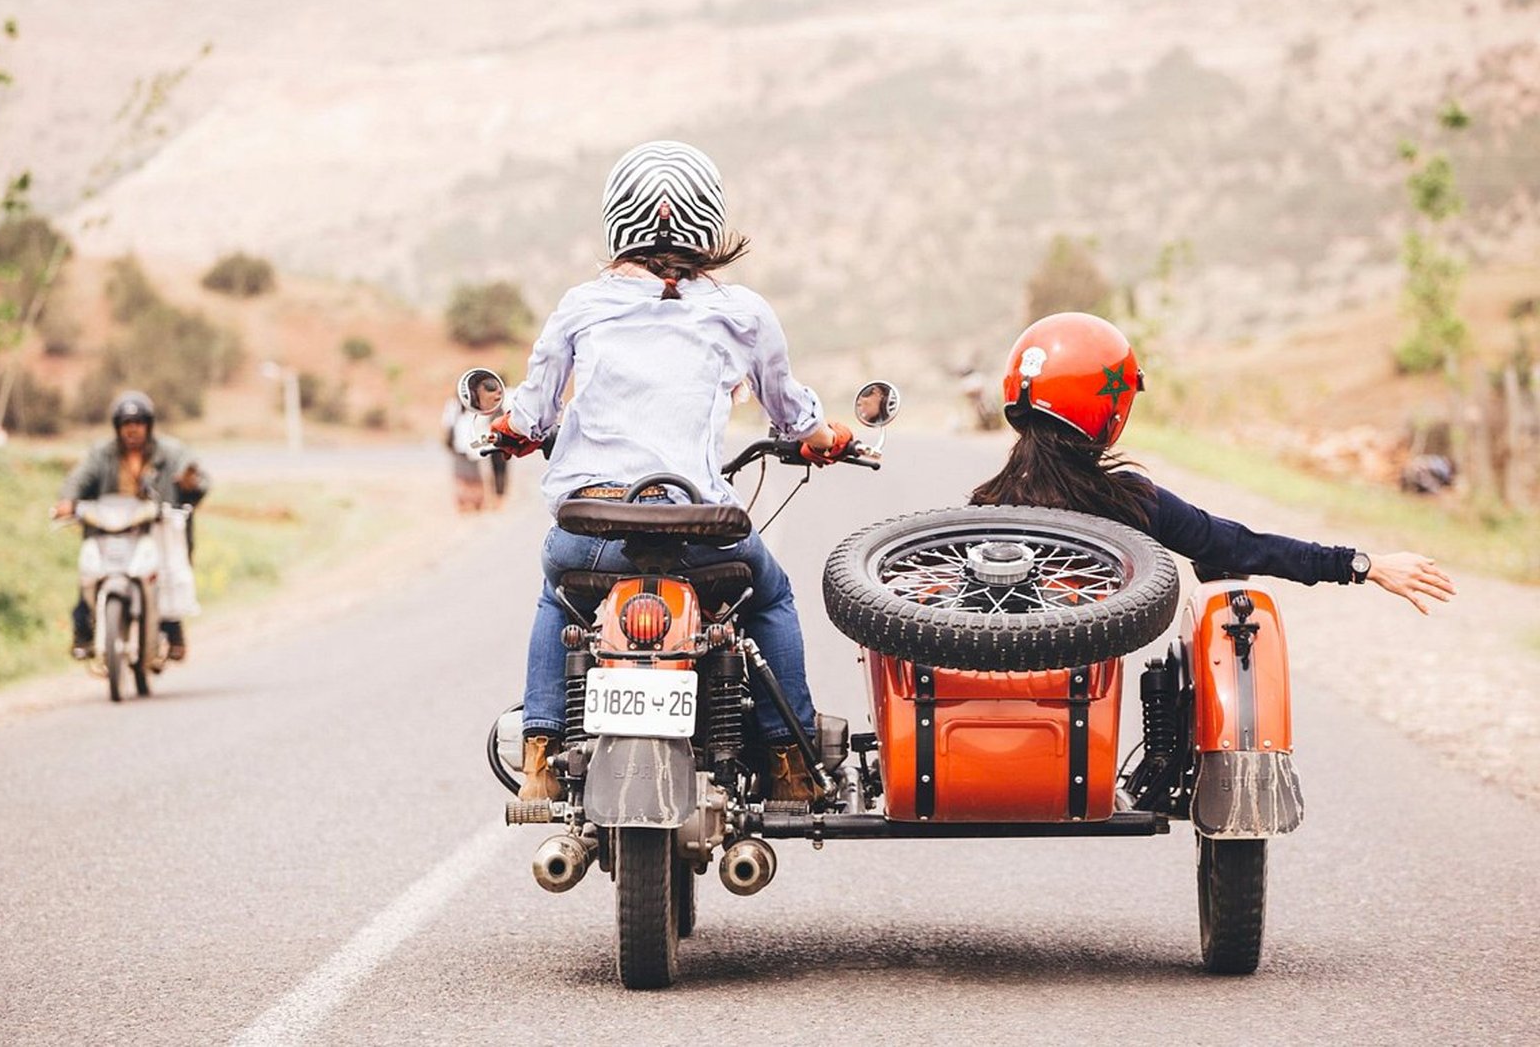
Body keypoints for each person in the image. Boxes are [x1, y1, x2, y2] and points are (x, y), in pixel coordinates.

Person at [487, 140, 858, 801]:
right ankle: (789, 763)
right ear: (708, 218)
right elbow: (792, 414)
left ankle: (540, 759)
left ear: (617, 218)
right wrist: (826, 439)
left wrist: (510, 431)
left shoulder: (581, 305)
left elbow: (532, 413)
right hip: (699, 534)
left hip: (592, 532)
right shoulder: (742, 311)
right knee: (770, 595)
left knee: (558, 593)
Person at [971, 313, 1456, 613]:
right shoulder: (1128, 502)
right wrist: (1365, 565)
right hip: (1082, 713)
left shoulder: (981, 509)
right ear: (1108, 409)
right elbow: (1242, 547)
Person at [54, 391, 210, 659]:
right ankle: (84, 632)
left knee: (165, 572)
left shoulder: (170, 452)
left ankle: (171, 629)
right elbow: (78, 478)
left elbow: (196, 476)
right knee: (92, 571)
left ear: (149, 425)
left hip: (153, 529)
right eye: (126, 423)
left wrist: (190, 482)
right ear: (117, 427)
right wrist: (67, 501)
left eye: (138, 423)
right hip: (110, 529)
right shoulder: (102, 454)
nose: (132, 429)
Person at [441, 379, 507, 513]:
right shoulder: (454, 406)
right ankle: (465, 503)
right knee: (462, 476)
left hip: (472, 447)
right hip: (460, 446)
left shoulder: (476, 407)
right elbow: (447, 424)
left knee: (474, 476)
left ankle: (477, 503)